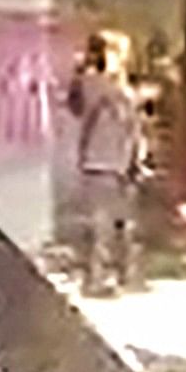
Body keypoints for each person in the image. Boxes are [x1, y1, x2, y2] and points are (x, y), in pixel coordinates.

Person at [65, 32, 149, 293]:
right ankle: (96, 279)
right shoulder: (93, 82)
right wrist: (129, 93)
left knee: (125, 223)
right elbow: (86, 103)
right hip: (101, 160)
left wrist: (139, 154)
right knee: (101, 223)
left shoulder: (119, 84)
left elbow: (131, 122)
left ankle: (127, 275)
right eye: (116, 52)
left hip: (125, 162)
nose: (122, 59)